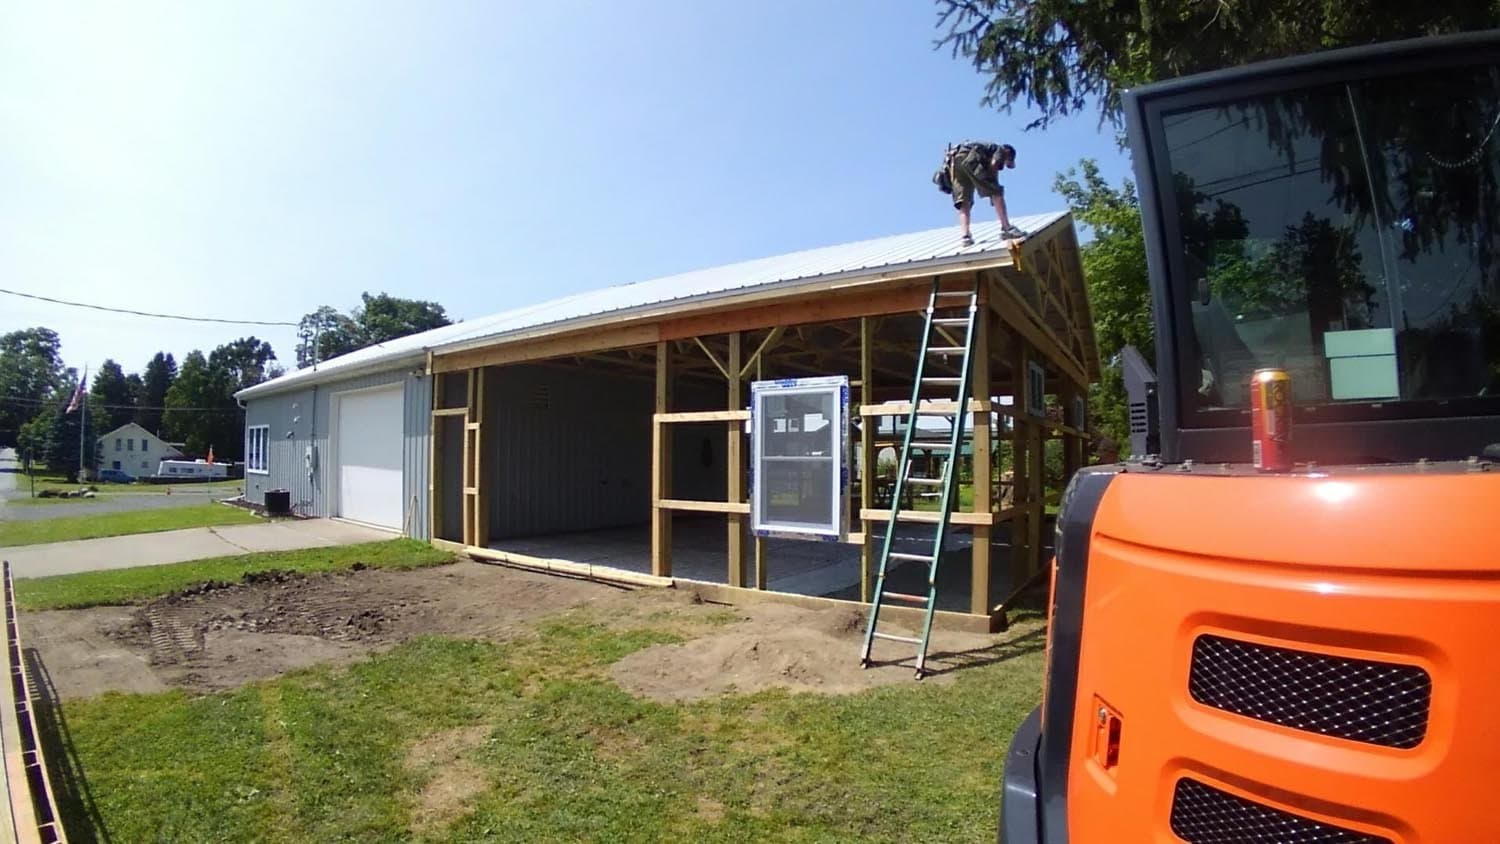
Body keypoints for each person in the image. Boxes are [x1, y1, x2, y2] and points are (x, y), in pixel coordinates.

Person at [945, 141, 1023, 246]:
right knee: (997, 193)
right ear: (1008, 153)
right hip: (970, 158)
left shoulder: (984, 148)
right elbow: (994, 164)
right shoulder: (1000, 149)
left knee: (963, 201)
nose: (1003, 165)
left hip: (954, 160)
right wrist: (993, 191)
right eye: (1006, 161)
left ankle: (965, 236)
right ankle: (1007, 228)